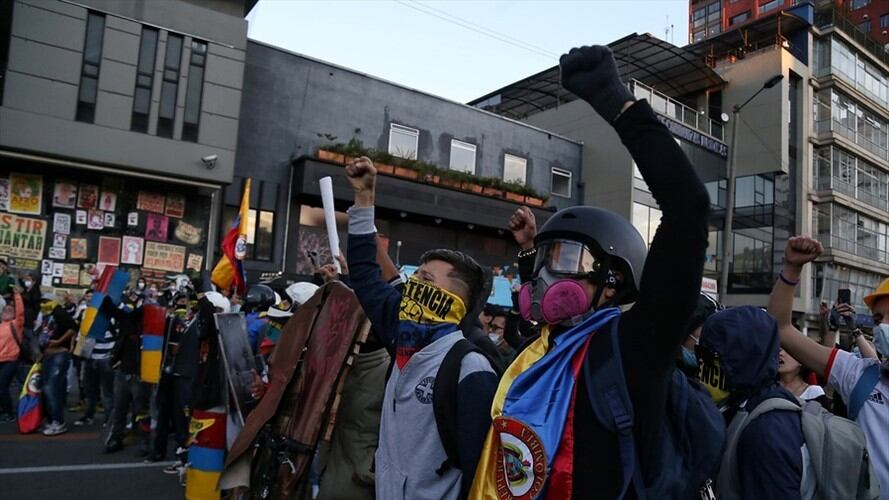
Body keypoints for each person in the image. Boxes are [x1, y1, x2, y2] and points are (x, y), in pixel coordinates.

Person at [472, 45, 718, 499]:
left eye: (566, 259)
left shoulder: (633, 348)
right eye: (544, 261)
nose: (547, 276)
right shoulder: (544, 353)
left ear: (612, 280)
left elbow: (688, 209)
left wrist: (614, 100)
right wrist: (531, 252)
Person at [345, 157, 499, 499]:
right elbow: (365, 277)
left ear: (455, 300)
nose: (412, 285)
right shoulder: (401, 335)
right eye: (415, 275)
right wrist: (364, 201)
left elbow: (481, 466)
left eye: (424, 279)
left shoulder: (470, 368)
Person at [768, 236, 889, 497]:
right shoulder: (859, 375)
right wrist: (791, 269)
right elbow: (780, 328)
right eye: (879, 319)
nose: (884, 326)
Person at [698, 307, 811, 499]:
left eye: (710, 356)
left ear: (741, 357)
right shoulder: (743, 408)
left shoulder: (765, 431)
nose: (702, 366)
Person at [102, 293, 149, 454]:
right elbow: (111, 310)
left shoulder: (152, 327)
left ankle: (145, 441)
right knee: (120, 408)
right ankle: (116, 438)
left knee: (141, 410)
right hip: (124, 370)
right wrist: (105, 293)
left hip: (140, 373)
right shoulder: (127, 321)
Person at [39, 294, 78, 436]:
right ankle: (51, 418)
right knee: (49, 388)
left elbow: (73, 328)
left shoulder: (59, 312)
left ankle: (58, 421)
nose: (43, 304)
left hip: (59, 354)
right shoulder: (45, 315)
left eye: (46, 301)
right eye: (42, 302)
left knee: (51, 387)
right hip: (47, 355)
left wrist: (59, 341)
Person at [74, 311, 116, 427]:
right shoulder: (87, 315)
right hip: (91, 357)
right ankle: (90, 415)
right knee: (90, 390)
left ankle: (109, 418)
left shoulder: (111, 316)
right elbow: (82, 334)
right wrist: (79, 354)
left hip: (105, 358)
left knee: (106, 391)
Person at [0, 289, 24, 423]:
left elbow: (20, 311)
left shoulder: (16, 324)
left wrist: (17, 295)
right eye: (5, 309)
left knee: (2, 386)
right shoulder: (0, 325)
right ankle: (4, 409)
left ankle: (9, 413)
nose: (7, 310)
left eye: (10, 309)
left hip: (11, 360)